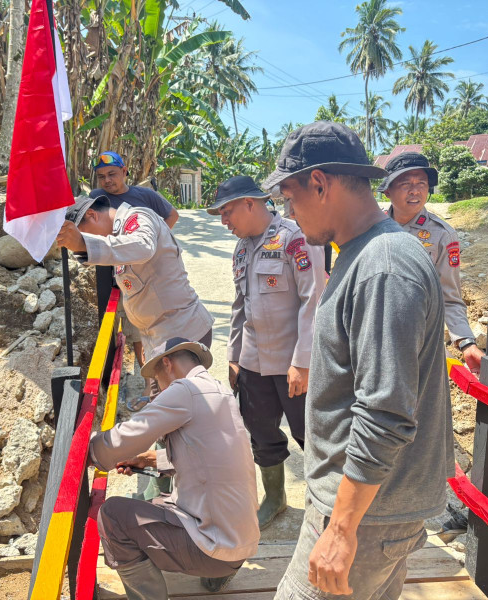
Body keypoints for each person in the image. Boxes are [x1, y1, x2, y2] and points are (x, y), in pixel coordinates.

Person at [264, 122, 453, 599]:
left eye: (289, 198)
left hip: (367, 518)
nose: (288, 212)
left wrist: (342, 529)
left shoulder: (383, 266)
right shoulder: (362, 255)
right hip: (373, 512)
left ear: (320, 184)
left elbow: (386, 412)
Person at [89, 337, 260, 600]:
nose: (158, 389)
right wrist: (148, 460)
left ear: (166, 364)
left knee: (112, 516)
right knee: (158, 503)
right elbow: (208, 456)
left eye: (157, 381)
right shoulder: (218, 390)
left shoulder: (184, 390)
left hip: (215, 549)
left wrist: (90, 451)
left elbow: (134, 433)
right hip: (240, 541)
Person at [207, 175, 325, 530]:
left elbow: (314, 301)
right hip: (254, 364)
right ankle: (275, 498)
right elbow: (239, 305)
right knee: (261, 433)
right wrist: (233, 355)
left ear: (249, 203)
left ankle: (328, 506)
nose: (224, 221)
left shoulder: (294, 238)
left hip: (294, 365)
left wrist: (302, 362)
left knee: (313, 435)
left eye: (227, 212)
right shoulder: (242, 248)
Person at [56, 195, 213, 357]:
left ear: (92, 215)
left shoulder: (138, 217)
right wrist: (149, 341)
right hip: (160, 337)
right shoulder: (119, 237)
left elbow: (143, 247)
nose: (85, 241)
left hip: (181, 334)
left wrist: (83, 243)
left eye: (82, 234)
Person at [379, 152, 485, 373]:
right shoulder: (370, 227)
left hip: (420, 343)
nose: (415, 190)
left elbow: (450, 297)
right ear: (388, 191)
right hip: (374, 337)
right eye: (406, 183)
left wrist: (466, 342)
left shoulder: (442, 236)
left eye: (421, 183)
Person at [90, 151, 179, 385]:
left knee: (154, 328)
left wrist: (155, 245)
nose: (107, 180)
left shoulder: (145, 196)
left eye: (112, 174)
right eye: (101, 176)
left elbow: (172, 215)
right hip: (118, 278)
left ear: (124, 171)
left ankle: (161, 382)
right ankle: (151, 382)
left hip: (151, 278)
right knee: (136, 332)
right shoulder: (97, 198)